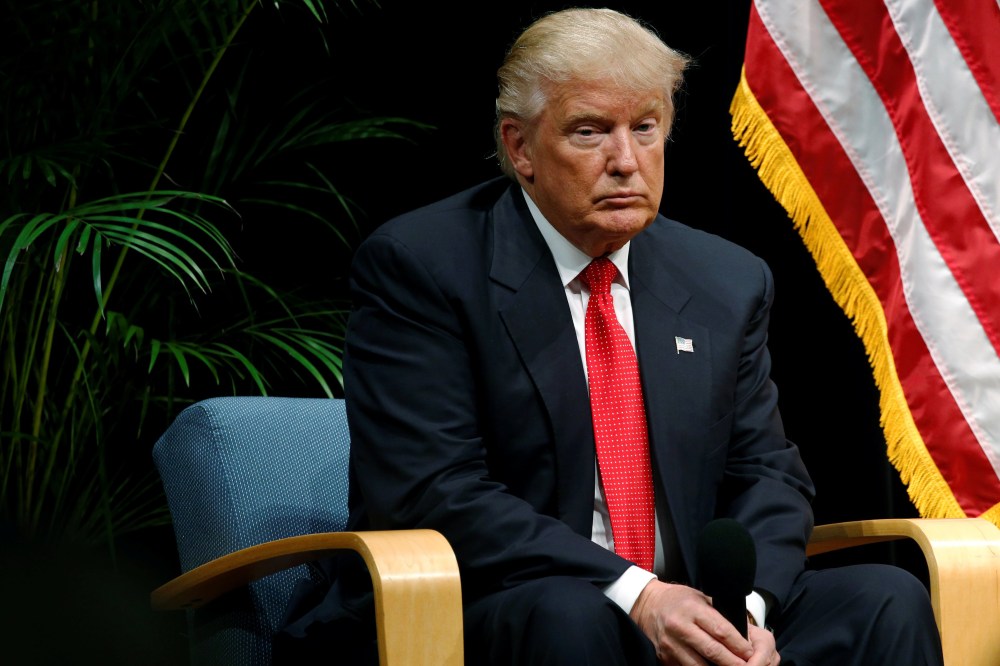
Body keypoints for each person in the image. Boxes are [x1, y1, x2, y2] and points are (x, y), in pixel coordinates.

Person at [276, 7, 944, 665]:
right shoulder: (425, 266)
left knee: (884, 597)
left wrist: (745, 613)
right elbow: (434, 491)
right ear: (520, 147)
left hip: (689, 608)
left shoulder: (724, 280)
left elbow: (766, 473)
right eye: (591, 132)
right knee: (573, 616)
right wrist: (639, 594)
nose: (626, 161)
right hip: (499, 601)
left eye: (645, 128)